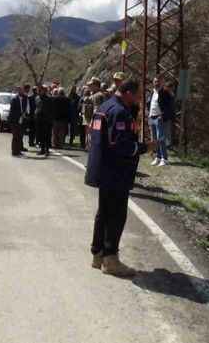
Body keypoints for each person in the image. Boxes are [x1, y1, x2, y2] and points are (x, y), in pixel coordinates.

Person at [85, 79, 151, 277]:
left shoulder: (104, 106)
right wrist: (145, 148)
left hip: (102, 169)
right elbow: (121, 146)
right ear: (128, 92)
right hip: (115, 172)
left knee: (103, 213)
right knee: (116, 215)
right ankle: (110, 259)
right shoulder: (119, 111)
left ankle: (98, 254)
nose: (139, 98)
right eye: (138, 94)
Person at [148, 76, 170, 167]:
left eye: (158, 81)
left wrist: (162, 115)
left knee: (161, 138)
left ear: (162, 82)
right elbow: (150, 103)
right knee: (155, 139)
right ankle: (158, 157)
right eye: (155, 81)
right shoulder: (152, 92)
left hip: (159, 118)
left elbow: (169, 106)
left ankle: (164, 159)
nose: (156, 83)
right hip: (152, 117)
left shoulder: (165, 93)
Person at [9, 86, 31, 156]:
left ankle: (18, 151)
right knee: (15, 136)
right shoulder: (14, 99)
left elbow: (26, 108)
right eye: (19, 90)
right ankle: (14, 152)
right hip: (15, 120)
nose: (20, 92)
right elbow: (12, 111)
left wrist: (25, 114)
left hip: (22, 121)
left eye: (21, 90)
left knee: (20, 136)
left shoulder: (25, 98)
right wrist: (19, 115)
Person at [34, 84, 54, 156]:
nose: (41, 91)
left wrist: (50, 119)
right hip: (39, 119)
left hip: (46, 120)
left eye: (43, 89)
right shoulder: (37, 98)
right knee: (40, 135)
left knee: (47, 136)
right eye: (40, 89)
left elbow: (52, 109)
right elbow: (36, 107)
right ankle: (42, 149)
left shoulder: (49, 99)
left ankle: (47, 150)